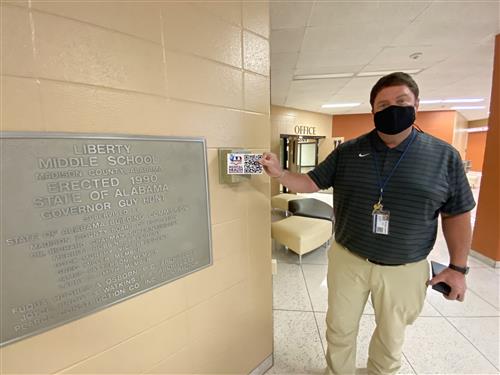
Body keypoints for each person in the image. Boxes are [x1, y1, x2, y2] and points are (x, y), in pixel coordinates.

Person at [260, 72, 475, 375]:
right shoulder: (348, 151)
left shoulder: (443, 156)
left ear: (416, 105)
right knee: (339, 329)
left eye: (401, 102)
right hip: (349, 260)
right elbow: (310, 181)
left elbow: (457, 213)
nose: (392, 110)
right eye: (383, 104)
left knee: (391, 338)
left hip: (405, 268)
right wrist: (280, 173)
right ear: (373, 110)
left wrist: (458, 268)